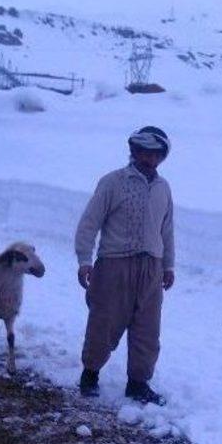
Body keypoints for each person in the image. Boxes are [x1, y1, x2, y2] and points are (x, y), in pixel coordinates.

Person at [74, 126, 175, 405]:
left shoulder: (163, 188)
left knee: (147, 328)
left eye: (156, 153)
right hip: (114, 266)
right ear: (133, 151)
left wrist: (168, 266)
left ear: (162, 156)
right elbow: (89, 224)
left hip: (151, 269)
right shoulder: (113, 182)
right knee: (103, 322)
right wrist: (84, 260)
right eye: (143, 151)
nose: (149, 158)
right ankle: (90, 374)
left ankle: (138, 383)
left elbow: (167, 230)